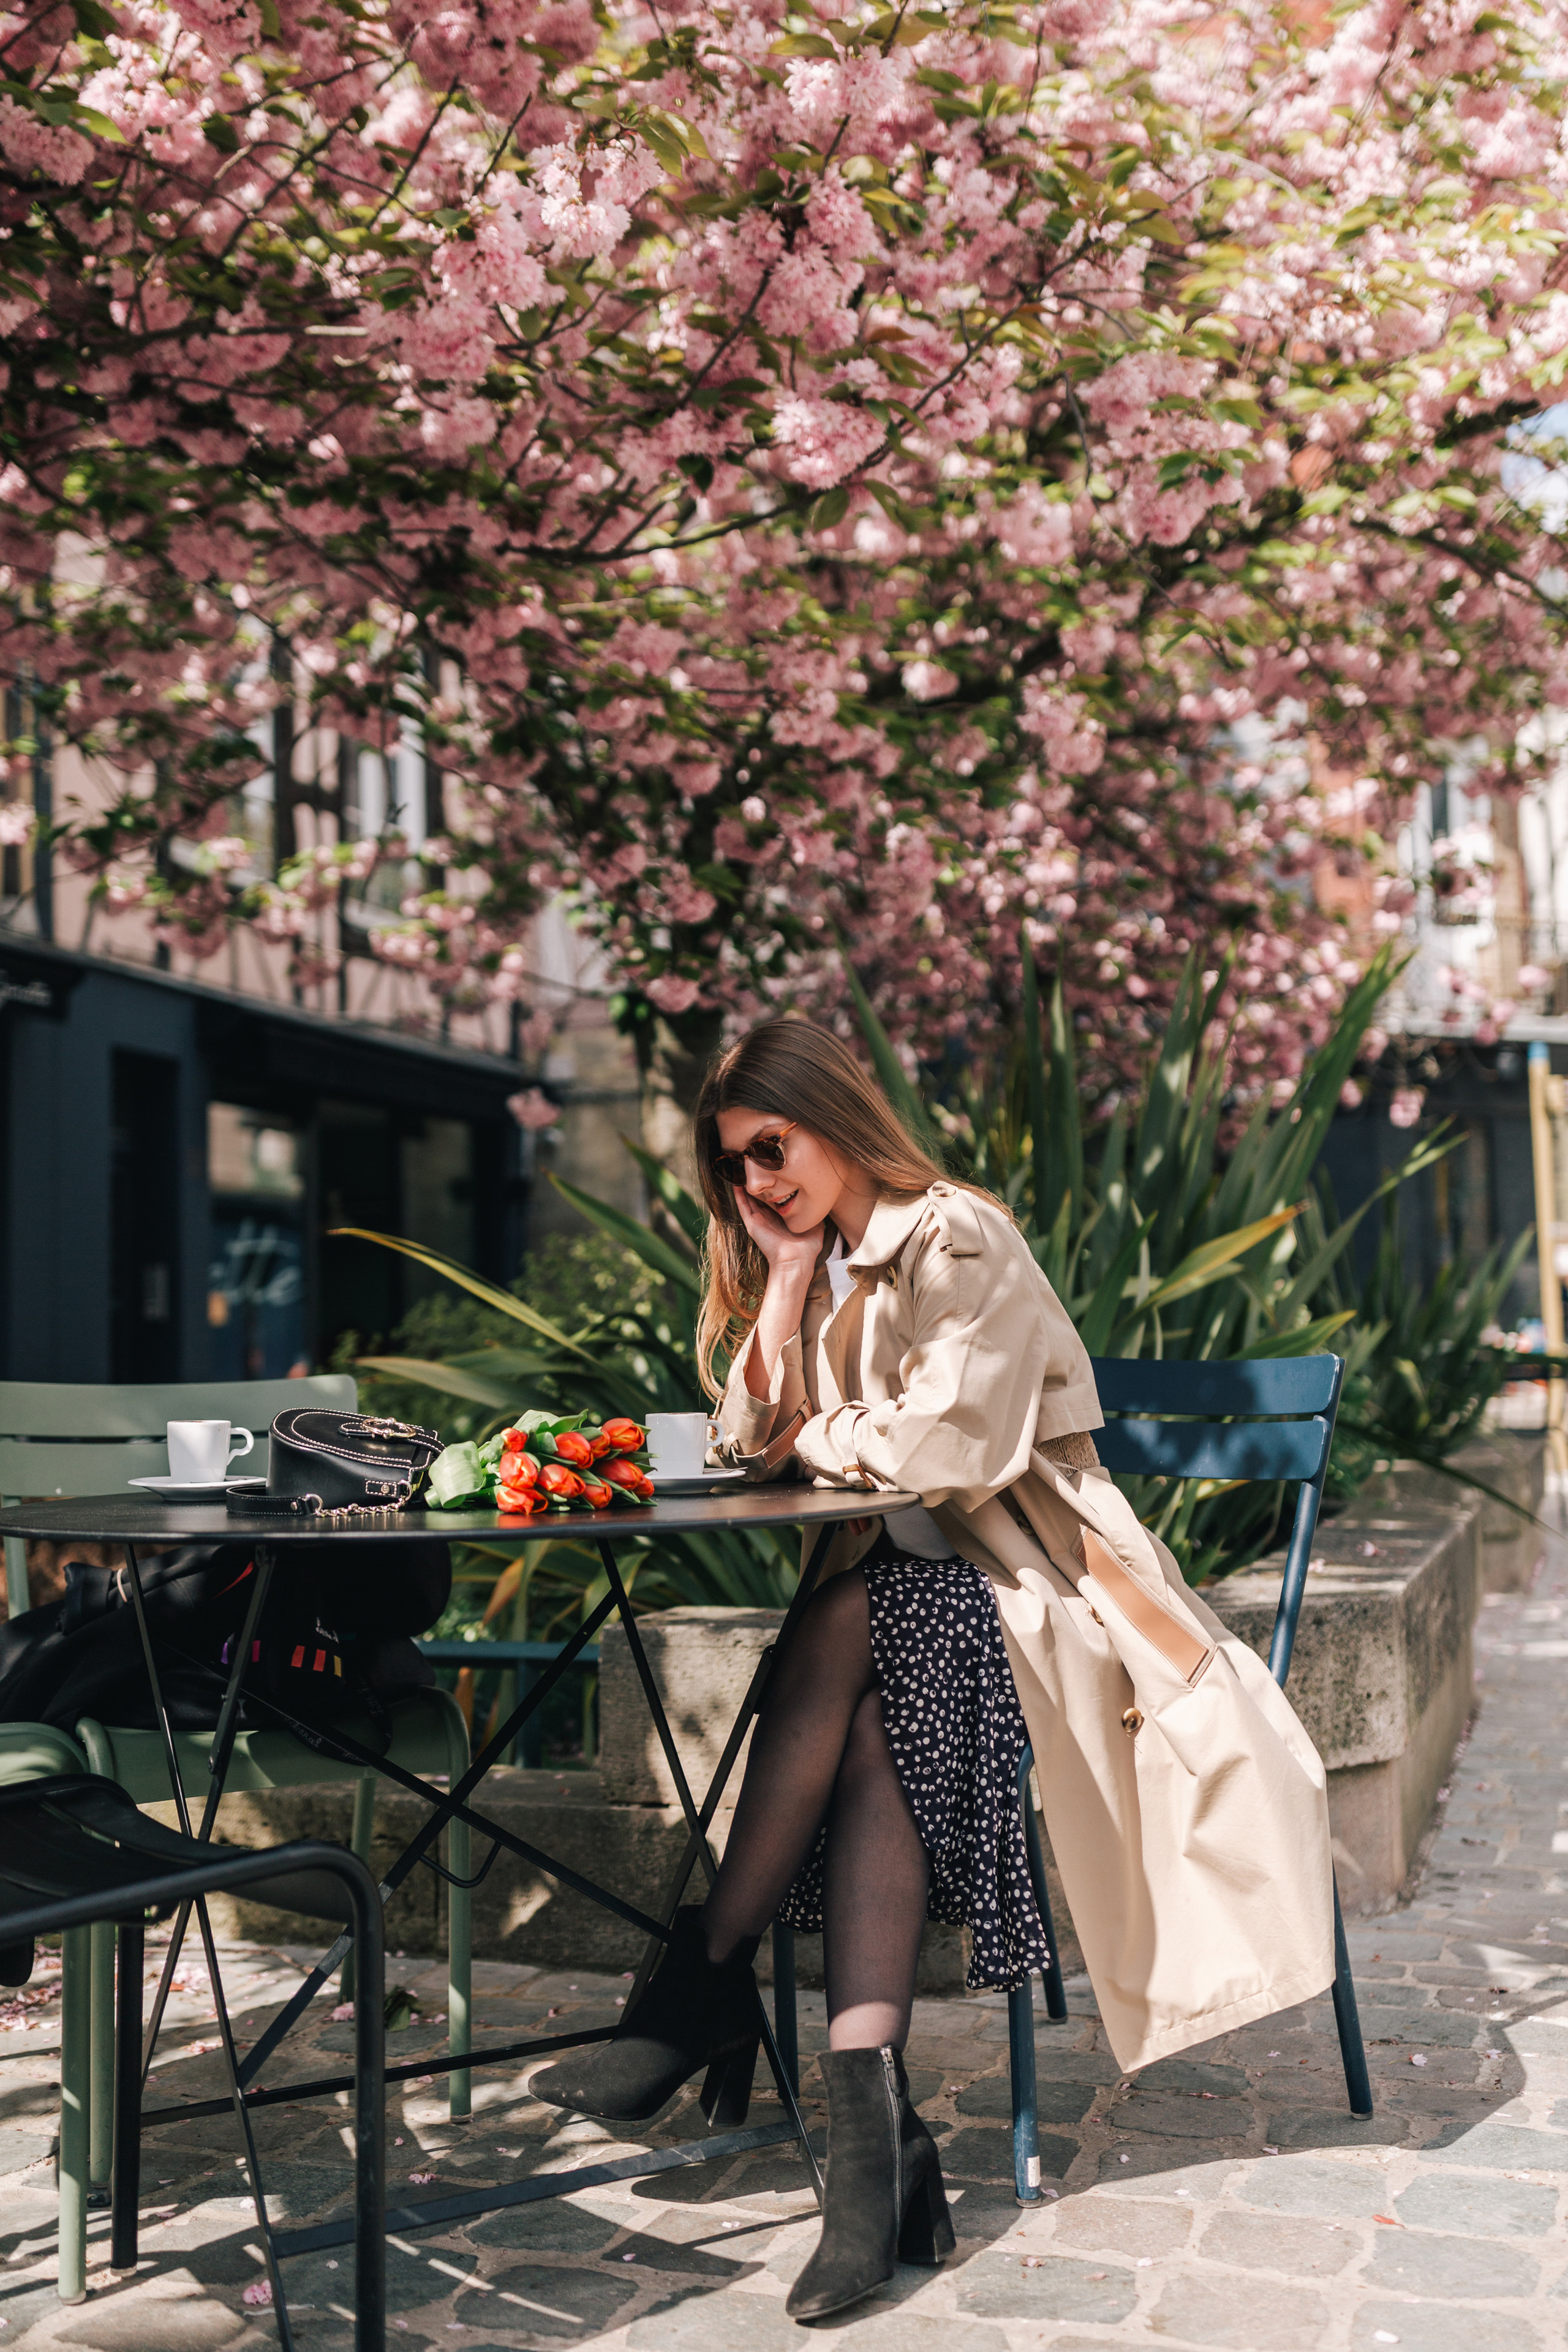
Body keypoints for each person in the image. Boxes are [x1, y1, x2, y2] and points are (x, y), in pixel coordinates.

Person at [535, 1016, 1336, 2323]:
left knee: (871, 1621)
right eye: (736, 1165)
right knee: (874, 1659)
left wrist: (818, 1429)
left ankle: (706, 1978)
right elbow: (748, 1439)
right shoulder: (822, 1255)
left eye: (771, 1147)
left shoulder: (953, 1235)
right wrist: (784, 1291)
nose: (757, 1184)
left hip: (1037, 1588)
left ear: (831, 1113)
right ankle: (871, 2141)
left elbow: (948, 1451)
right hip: (914, 1610)